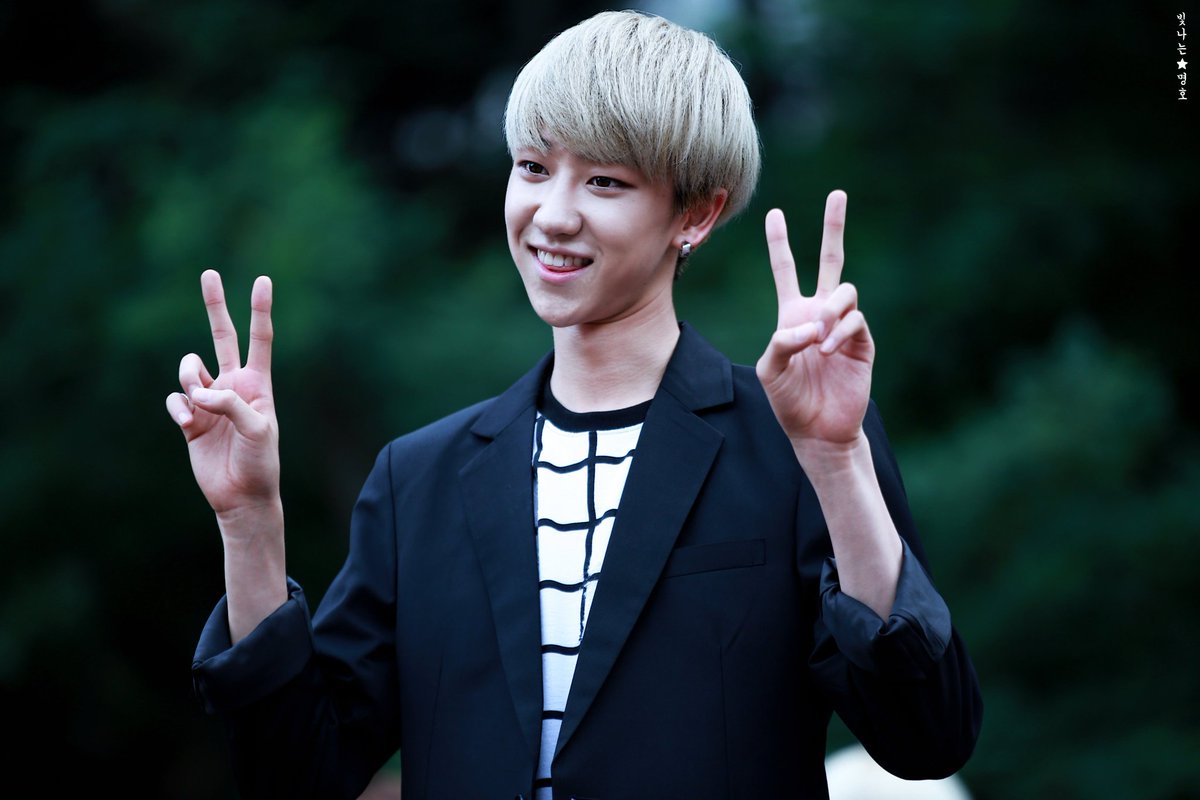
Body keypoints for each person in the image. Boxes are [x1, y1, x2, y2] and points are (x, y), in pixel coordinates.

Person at [169, 11, 982, 799]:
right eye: (532, 167)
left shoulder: (794, 441)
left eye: (604, 181)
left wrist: (836, 461)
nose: (553, 216)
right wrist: (250, 521)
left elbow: (927, 739)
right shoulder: (418, 480)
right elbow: (295, 777)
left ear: (695, 214)